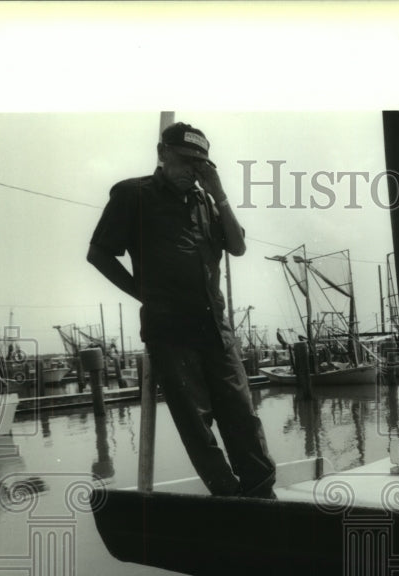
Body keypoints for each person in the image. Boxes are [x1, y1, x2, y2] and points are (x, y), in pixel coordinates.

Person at [87, 122, 276, 498]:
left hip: (215, 329)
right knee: (197, 426)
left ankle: (261, 497)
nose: (193, 170)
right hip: (171, 332)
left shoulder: (205, 201)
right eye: (186, 160)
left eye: (201, 164)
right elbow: (99, 253)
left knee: (243, 417)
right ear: (162, 154)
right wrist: (143, 293)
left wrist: (218, 191)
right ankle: (227, 497)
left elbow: (237, 247)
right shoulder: (133, 194)